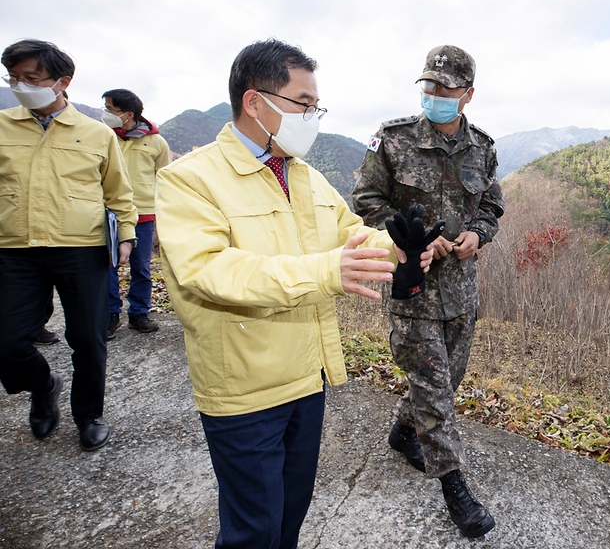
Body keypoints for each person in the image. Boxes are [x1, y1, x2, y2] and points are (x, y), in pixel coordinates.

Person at [156, 39, 432, 549]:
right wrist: (327, 271)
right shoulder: (189, 180)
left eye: (315, 106)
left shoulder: (304, 177)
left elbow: (348, 232)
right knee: (253, 529)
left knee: (289, 514)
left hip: (308, 377)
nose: (313, 116)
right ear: (254, 101)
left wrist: (400, 248)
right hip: (244, 387)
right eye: (303, 104)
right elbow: (209, 270)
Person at [352, 44, 505, 538]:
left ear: (468, 95)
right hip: (413, 287)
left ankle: (403, 431)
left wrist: (477, 236)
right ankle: (454, 484)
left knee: (444, 380)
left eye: (446, 88)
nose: (435, 95)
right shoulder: (391, 140)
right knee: (436, 392)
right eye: (429, 86)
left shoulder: (483, 147)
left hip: (461, 292)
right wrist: (411, 234)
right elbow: (365, 201)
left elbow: (491, 206)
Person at [0, 39, 137, 451]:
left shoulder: (95, 134)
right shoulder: (3, 126)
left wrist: (126, 236)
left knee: (88, 337)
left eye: (32, 78)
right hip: (14, 248)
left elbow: (118, 192)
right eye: (14, 78)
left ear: (63, 82)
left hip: (81, 248)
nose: (21, 85)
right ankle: (43, 387)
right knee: (8, 339)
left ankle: (89, 414)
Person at [101, 88, 171, 338]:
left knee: (140, 266)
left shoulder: (156, 142)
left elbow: (163, 178)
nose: (106, 114)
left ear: (128, 114)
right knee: (107, 266)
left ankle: (139, 313)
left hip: (143, 213)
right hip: (107, 212)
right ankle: (110, 313)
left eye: (110, 109)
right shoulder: (103, 136)